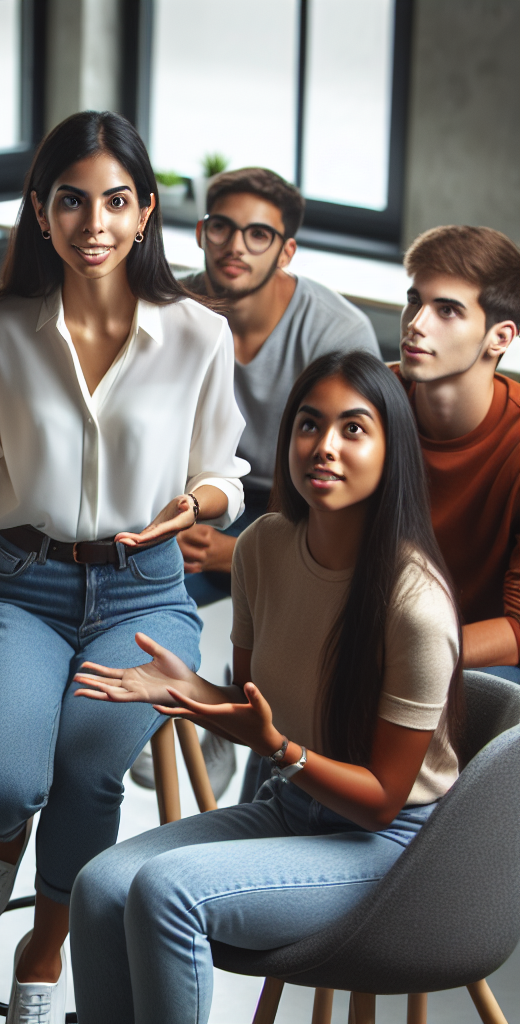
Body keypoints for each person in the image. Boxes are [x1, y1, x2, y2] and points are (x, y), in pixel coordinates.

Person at [0, 110, 248, 1024]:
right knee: (0, 781)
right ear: (40, 212)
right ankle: (1, 841)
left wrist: (191, 509)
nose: (95, 224)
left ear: (147, 211)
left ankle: (45, 948)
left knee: (86, 762)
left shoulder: (198, 333)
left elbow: (224, 471)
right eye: (71, 202)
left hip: (145, 592)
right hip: (24, 586)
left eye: (117, 202)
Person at [70, 350, 461, 1024]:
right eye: (309, 425)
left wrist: (279, 750)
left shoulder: (414, 602)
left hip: (392, 847)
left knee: (169, 892)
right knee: (99, 884)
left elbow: (382, 804)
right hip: (293, 808)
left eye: (353, 429)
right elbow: (256, 713)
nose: (325, 447)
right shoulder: (263, 548)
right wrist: (186, 688)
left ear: (391, 449)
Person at [130, 167, 380, 799]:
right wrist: (184, 519)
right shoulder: (168, 312)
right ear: (201, 233)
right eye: (222, 228)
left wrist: (243, 550)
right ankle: (138, 708)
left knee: (302, 594)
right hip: (205, 492)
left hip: (306, 499)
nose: (235, 246)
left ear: (286, 249)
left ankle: (234, 719)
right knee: (127, 570)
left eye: (259, 235)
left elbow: (355, 481)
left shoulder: (334, 331)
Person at [396, 224, 520, 681]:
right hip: (375, 626)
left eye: (446, 310)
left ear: (500, 337)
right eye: (415, 300)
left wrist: (410, 650)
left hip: (481, 656)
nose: (416, 324)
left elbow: (518, 629)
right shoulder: (367, 403)